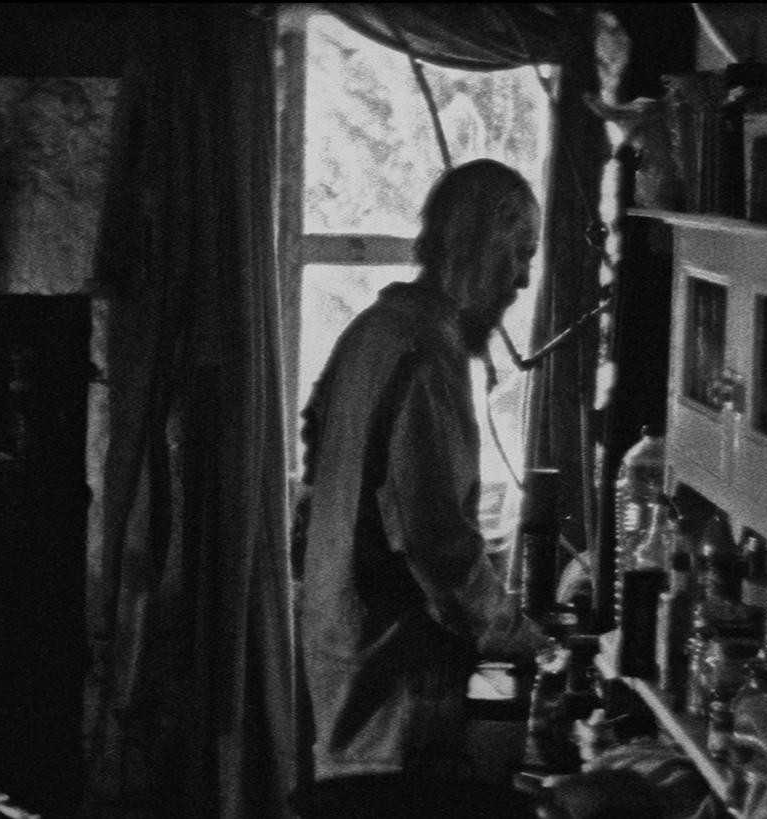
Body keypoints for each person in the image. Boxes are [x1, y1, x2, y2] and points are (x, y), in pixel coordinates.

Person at [292, 159, 544, 819]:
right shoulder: (429, 351)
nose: (523, 279)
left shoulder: (373, 329)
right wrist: (516, 633)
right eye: (520, 254)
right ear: (483, 245)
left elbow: (316, 451)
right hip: (393, 684)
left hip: (340, 656)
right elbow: (438, 543)